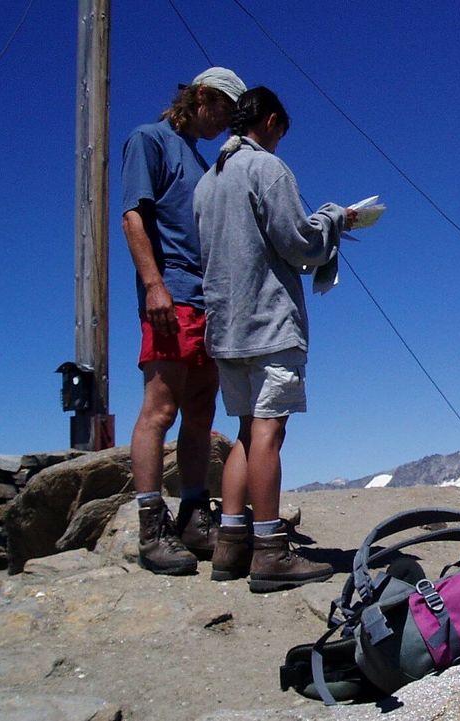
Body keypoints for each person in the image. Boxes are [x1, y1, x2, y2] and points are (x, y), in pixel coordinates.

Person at [194, 86, 355, 592]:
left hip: (225, 325)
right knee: (269, 431)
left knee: (245, 429)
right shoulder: (267, 170)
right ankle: (269, 551)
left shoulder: (208, 181)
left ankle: (230, 543)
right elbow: (298, 243)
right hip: (268, 320)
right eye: (280, 131)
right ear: (267, 121)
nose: (281, 142)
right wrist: (334, 219)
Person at [120, 67, 246, 575]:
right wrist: (154, 284)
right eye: (223, 110)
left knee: (200, 409)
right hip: (171, 293)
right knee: (160, 407)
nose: (226, 123)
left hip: (208, 296)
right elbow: (133, 215)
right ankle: (152, 526)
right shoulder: (149, 141)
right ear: (201, 97)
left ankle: (194, 514)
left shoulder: (201, 158)